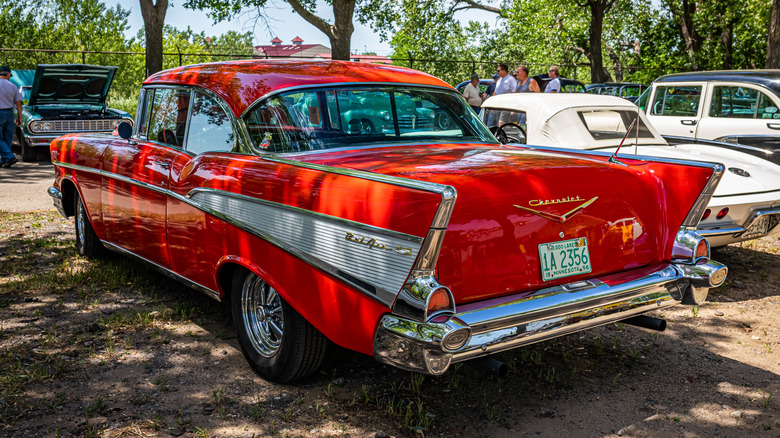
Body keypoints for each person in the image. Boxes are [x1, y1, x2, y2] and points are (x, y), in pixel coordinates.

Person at [0, 66, 22, 168]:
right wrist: (19, 118)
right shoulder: (13, 86)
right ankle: (6, 160)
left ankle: (9, 157)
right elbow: (19, 104)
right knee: (7, 138)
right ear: (8, 74)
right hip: (9, 113)